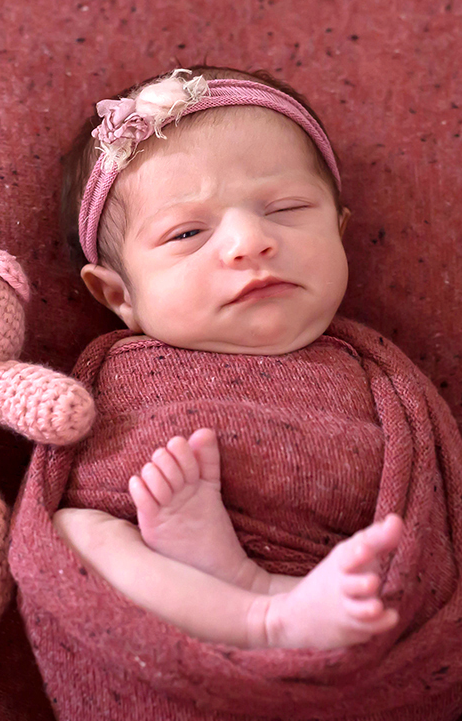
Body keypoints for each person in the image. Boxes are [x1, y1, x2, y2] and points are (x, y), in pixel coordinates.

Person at [51, 65, 405, 650]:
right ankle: (255, 613)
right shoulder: (116, 377)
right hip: (167, 608)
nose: (249, 242)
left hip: (334, 589)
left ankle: (277, 598)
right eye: (187, 233)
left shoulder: (382, 377)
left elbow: (419, 502)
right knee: (71, 531)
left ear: (340, 233)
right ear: (119, 295)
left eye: (287, 208)